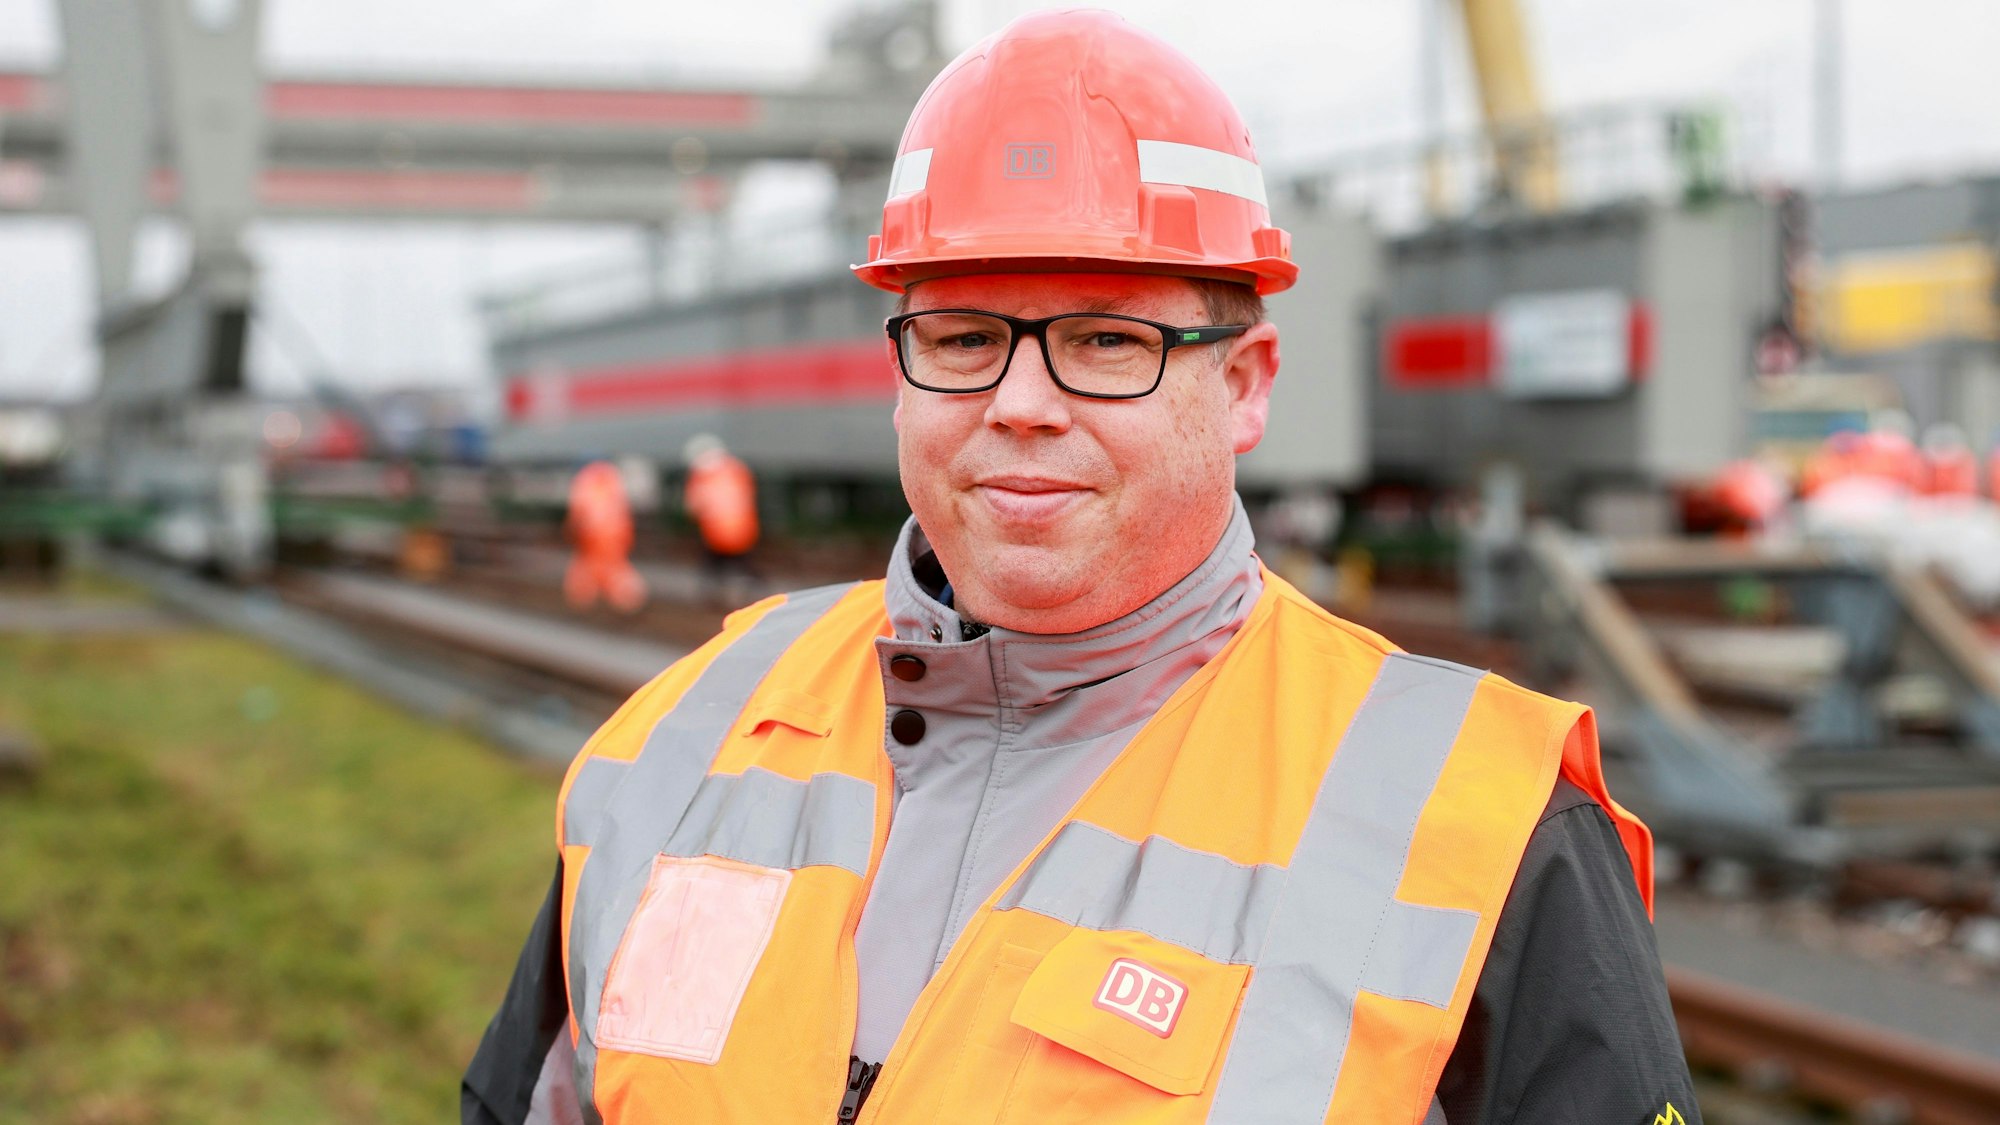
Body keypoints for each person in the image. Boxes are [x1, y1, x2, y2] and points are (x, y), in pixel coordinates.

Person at [463, 12, 1697, 1124]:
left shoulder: (1484, 827)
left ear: (1244, 384)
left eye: (1106, 341)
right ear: (899, 373)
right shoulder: (680, 740)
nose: (1020, 403)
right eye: (962, 337)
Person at [680, 433, 762, 603]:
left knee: (715, 562)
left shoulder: (700, 476)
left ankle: (716, 591)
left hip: (715, 533)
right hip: (744, 529)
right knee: (740, 561)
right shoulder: (738, 469)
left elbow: (693, 506)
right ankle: (750, 586)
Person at [562, 459, 646, 614]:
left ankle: (599, 599)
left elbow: (577, 516)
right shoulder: (612, 477)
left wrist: (573, 532)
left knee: (597, 569)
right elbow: (623, 510)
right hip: (611, 535)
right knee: (609, 567)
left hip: (595, 536)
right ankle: (617, 599)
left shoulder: (584, 480)